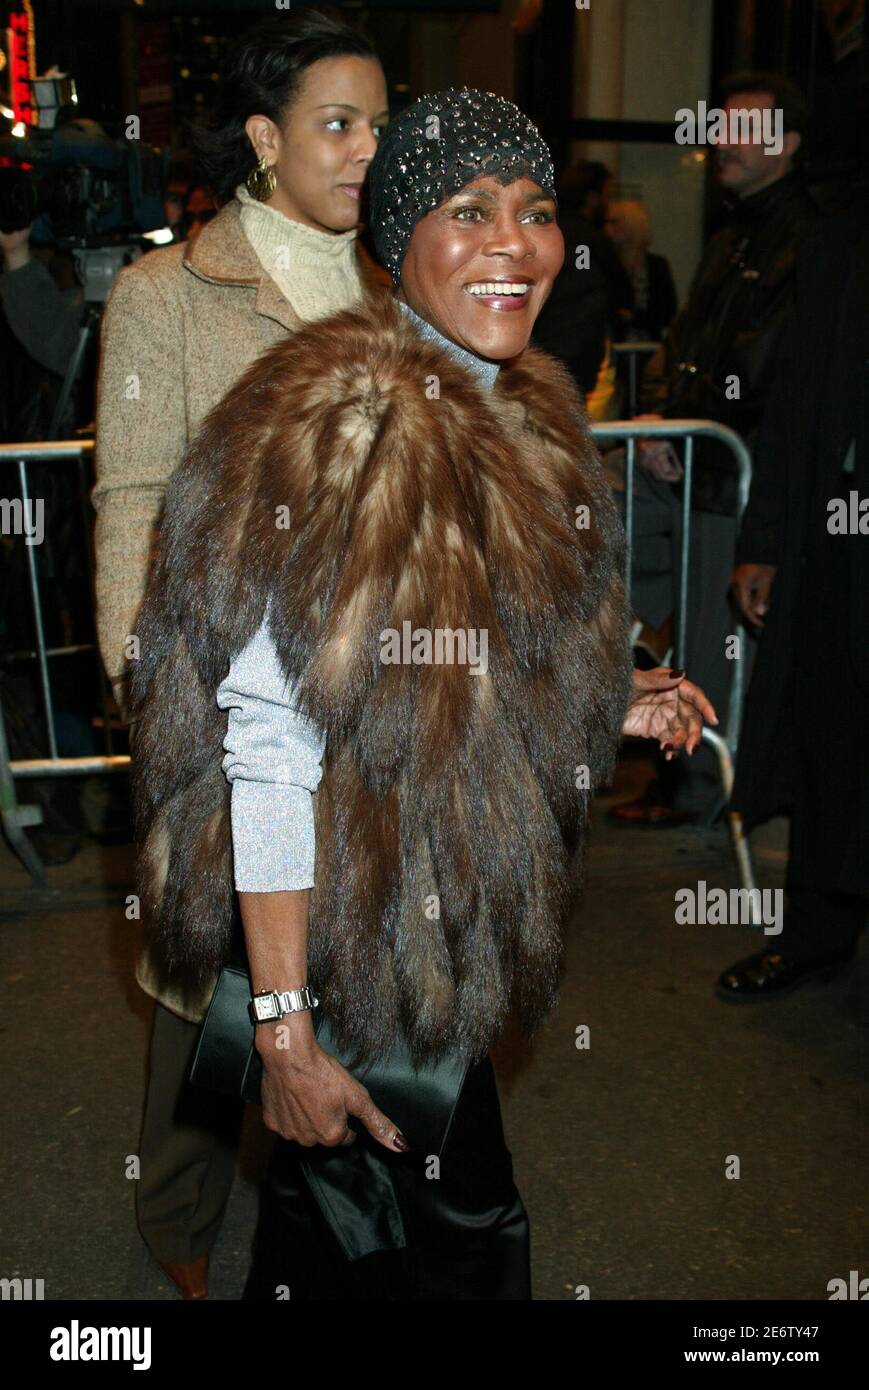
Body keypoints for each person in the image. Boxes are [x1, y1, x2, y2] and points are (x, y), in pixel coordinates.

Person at [129, 86, 717, 1302]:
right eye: (470, 210)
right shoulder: (345, 438)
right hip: (359, 954)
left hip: (431, 934)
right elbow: (272, 749)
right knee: (450, 1236)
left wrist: (605, 701)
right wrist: (287, 1033)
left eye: (538, 210)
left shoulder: (518, 410)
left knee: (357, 1244)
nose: (517, 243)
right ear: (396, 245)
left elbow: (442, 664)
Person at [91, 8, 390, 1299]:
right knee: (205, 988)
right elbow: (130, 496)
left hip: (366, 702)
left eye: (379, 123)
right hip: (221, 700)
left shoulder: (388, 287)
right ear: (268, 138)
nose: (368, 148)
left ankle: (325, 1228)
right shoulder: (171, 291)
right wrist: (147, 689)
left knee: (337, 969)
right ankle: (179, 1223)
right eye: (340, 123)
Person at [608, 70, 816, 828]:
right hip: (693, 452)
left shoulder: (805, 239)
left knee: (711, 631)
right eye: (720, 126)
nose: (722, 140)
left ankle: (699, 788)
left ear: (786, 144)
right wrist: (663, 415)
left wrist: (685, 421)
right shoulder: (730, 237)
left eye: (744, 130)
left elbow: (768, 368)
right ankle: (591, 688)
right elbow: (684, 343)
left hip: (732, 470)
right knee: (584, 530)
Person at [718, 188, 869, 1001]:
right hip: (831, 543)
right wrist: (765, 542)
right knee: (828, 737)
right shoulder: (836, 235)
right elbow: (791, 407)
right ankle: (815, 931)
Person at [604, 198, 677, 343]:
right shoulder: (606, 265)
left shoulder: (657, 266)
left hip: (648, 349)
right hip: (617, 349)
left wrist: (632, 317)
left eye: (614, 222)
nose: (607, 228)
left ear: (631, 225)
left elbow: (666, 312)